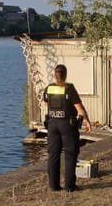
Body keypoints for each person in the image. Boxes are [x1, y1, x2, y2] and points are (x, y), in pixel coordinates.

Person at [43, 64, 91, 192]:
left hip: (52, 124)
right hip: (67, 125)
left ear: (55, 74)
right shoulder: (69, 89)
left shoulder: (49, 88)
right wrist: (87, 120)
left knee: (53, 155)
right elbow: (79, 108)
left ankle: (54, 185)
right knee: (70, 154)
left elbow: (47, 104)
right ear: (65, 75)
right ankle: (69, 186)